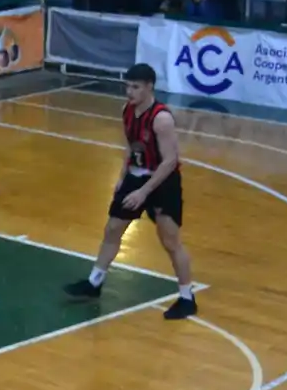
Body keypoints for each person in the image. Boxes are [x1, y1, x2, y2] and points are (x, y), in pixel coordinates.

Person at [64, 63, 196, 320]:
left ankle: (187, 296)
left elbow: (170, 161)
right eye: (127, 86)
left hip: (162, 180)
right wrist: (122, 177)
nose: (129, 91)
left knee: (170, 239)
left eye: (135, 87)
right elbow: (132, 146)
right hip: (136, 176)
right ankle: (95, 283)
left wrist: (144, 192)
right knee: (113, 228)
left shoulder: (161, 118)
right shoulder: (126, 111)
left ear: (149, 86)